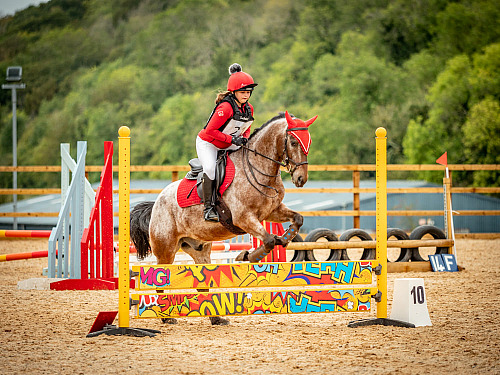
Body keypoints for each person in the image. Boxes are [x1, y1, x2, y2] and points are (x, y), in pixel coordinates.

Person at [196, 63, 257, 221]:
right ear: (234, 91)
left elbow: (246, 126)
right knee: (210, 168)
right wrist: (232, 139)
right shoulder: (225, 107)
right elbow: (210, 131)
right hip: (208, 143)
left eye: (248, 92)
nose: (246, 95)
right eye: (243, 92)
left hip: (229, 142)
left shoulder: (248, 107)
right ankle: (208, 208)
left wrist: (244, 138)